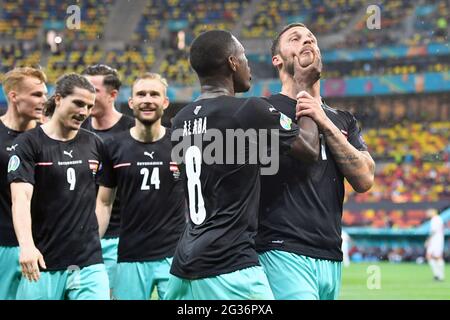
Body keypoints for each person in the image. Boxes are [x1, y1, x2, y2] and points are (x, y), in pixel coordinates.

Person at [165, 29, 320, 300]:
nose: (248, 64)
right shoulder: (249, 111)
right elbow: (308, 149)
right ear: (232, 63)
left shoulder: (180, 119)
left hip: (183, 265)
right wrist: (305, 88)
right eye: (244, 56)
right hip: (229, 265)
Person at [256, 23, 375, 300]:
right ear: (277, 59)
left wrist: (322, 119)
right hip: (281, 249)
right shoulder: (263, 111)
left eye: (311, 39)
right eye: (295, 39)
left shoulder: (343, 119)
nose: (306, 42)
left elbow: (365, 178)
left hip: (330, 254)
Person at [8, 73, 109, 300]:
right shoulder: (28, 143)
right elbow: (20, 199)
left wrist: (95, 238)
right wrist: (26, 246)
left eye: (89, 106)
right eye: (78, 103)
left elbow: (104, 200)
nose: (84, 112)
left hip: (88, 263)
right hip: (43, 262)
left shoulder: (95, 144)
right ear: (58, 99)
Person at [96, 73, 186, 300]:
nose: (147, 100)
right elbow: (104, 202)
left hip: (174, 255)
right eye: (141, 94)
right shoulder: (114, 147)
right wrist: (91, 244)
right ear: (131, 102)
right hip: (130, 255)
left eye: (154, 94)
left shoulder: (181, 143)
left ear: (165, 102)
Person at [81, 64, 134, 291]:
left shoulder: (133, 130)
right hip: (81, 235)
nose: (85, 96)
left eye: (93, 90)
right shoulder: (77, 130)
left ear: (113, 95)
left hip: (121, 236)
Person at [0, 67, 48, 299]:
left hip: (44, 244)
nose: (44, 101)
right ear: (14, 96)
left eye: (45, 94)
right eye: (37, 95)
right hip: (3, 244)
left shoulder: (48, 137)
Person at [425, 209, 445, 281]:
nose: (427, 213)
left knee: (437, 257)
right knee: (430, 256)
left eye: (429, 212)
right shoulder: (438, 219)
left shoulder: (435, 219)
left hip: (436, 240)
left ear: (434, 212)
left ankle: (440, 275)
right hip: (437, 240)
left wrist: (428, 240)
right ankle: (437, 275)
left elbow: (434, 231)